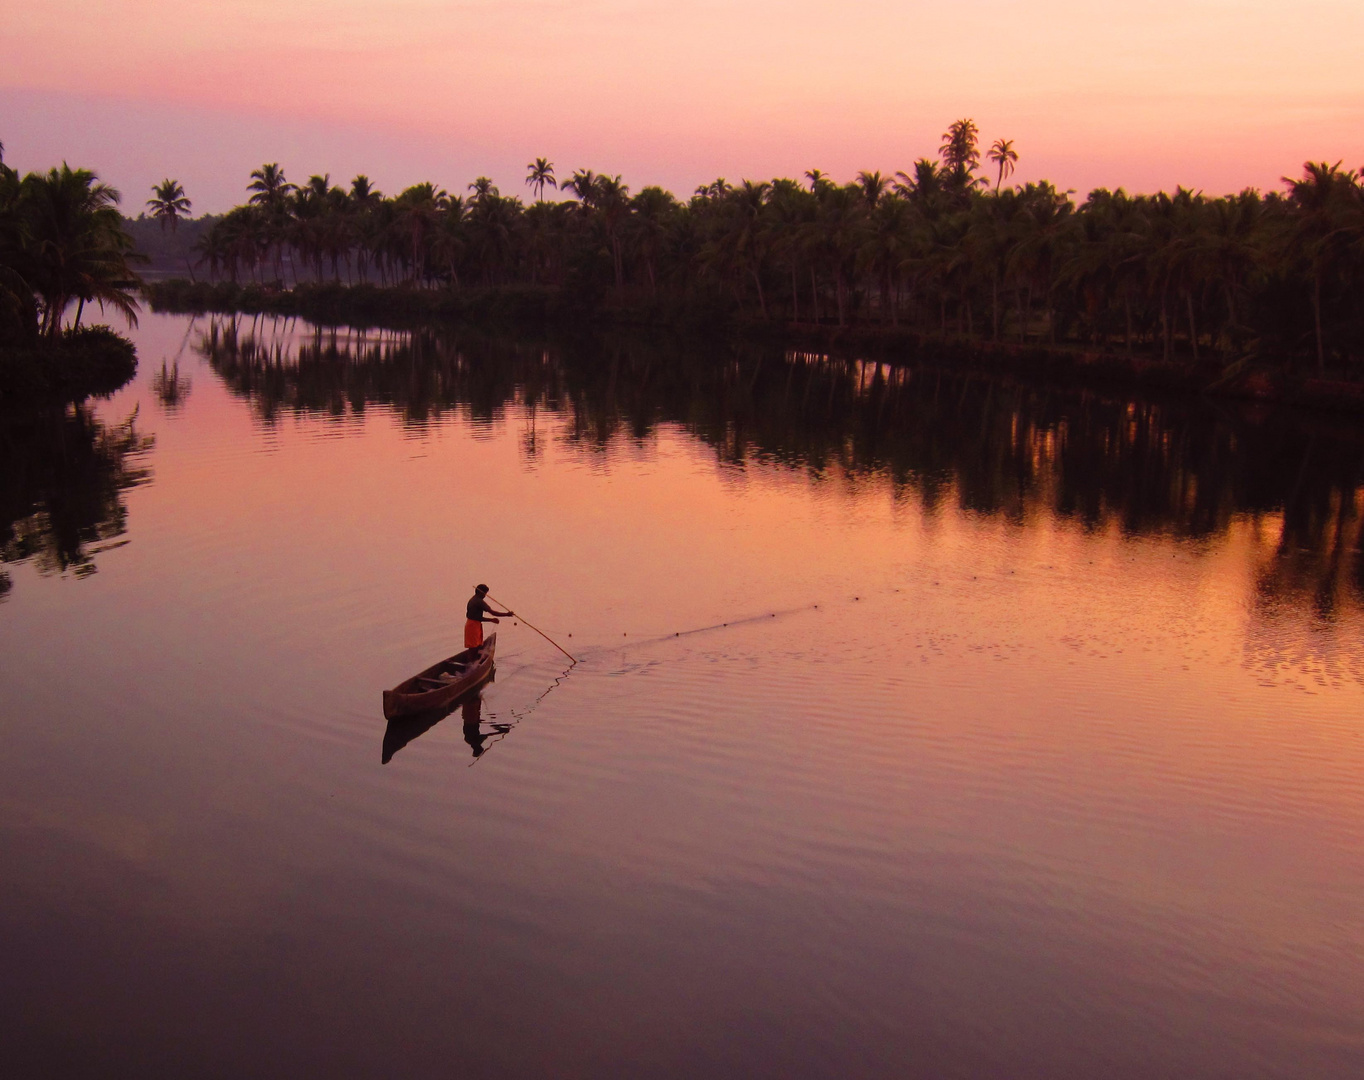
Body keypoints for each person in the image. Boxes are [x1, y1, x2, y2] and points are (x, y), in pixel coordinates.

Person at [465, 584, 512, 649]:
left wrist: (491, 620)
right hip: (473, 625)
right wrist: (507, 614)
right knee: (473, 647)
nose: (485, 595)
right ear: (481, 592)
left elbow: (477, 617)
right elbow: (492, 612)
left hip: (473, 624)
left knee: (476, 646)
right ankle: (472, 659)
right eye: (485, 593)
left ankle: (474, 658)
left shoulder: (474, 599)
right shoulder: (478, 601)